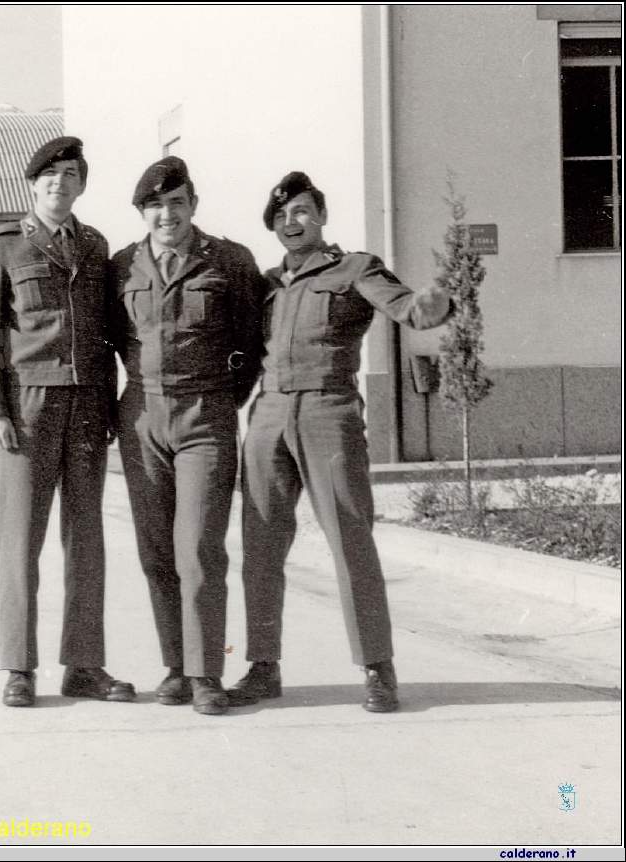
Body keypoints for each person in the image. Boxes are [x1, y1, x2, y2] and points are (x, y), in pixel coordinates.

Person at [231, 171, 452, 713]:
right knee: (259, 545)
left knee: (351, 540)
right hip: (268, 414)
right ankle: (262, 666)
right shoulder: (265, 284)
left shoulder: (355, 267)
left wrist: (429, 307)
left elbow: (402, 306)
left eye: (303, 210)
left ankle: (377, 668)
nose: (292, 221)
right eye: (282, 216)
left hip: (328, 411)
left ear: (322, 215)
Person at [0, 135, 134, 708]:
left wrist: (112, 405)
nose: (59, 184)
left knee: (86, 540)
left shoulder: (95, 246)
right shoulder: (4, 248)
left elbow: (110, 334)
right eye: (48, 176)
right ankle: (19, 667)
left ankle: (84, 665)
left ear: (82, 184)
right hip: (27, 408)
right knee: (21, 542)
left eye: (70, 174)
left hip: (87, 407)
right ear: (32, 185)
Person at [112, 157, 266, 715]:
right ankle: (175, 667)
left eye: (177, 202)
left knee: (199, 547)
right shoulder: (121, 267)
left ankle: (206, 673)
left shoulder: (229, 260)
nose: (166, 214)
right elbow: (111, 338)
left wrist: (223, 397)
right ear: (142, 212)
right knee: (156, 549)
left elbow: (250, 342)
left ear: (193, 206)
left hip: (206, 414)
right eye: (155, 205)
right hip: (142, 414)